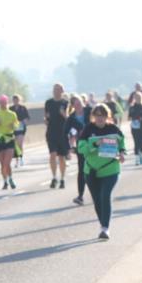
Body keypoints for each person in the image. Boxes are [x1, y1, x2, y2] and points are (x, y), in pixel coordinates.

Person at [77, 103, 126, 239]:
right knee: (97, 200)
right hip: (91, 171)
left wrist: (122, 153)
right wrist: (94, 144)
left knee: (105, 196)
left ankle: (105, 228)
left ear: (107, 116)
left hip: (110, 169)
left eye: (102, 115)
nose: (100, 118)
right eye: (97, 115)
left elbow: (121, 143)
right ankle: (102, 225)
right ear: (93, 116)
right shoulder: (88, 129)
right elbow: (80, 148)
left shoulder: (113, 129)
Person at [0, 94, 20, 190]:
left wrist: (13, 126)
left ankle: (10, 179)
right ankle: (6, 181)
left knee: (7, 163)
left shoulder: (12, 114)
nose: (3, 104)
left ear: (7, 103)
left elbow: (17, 125)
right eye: (1, 103)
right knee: (2, 164)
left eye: (4, 102)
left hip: (9, 139)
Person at [44, 83, 70, 189]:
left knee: (62, 157)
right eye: (54, 89)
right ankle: (54, 177)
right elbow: (46, 115)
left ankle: (62, 178)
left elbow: (69, 118)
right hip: (51, 132)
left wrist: (63, 113)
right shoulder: (48, 102)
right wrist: (46, 119)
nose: (56, 91)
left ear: (62, 91)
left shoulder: (65, 102)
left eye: (58, 89)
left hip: (62, 133)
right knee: (52, 155)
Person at [65, 95, 88, 205]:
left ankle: (100, 191)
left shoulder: (91, 111)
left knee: (96, 169)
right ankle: (80, 196)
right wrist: (69, 148)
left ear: (83, 102)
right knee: (82, 170)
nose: (78, 105)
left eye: (79, 103)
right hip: (82, 147)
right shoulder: (71, 118)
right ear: (73, 106)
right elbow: (65, 133)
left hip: (96, 145)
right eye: (75, 104)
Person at [10, 94, 30, 167]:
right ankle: (16, 160)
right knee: (15, 145)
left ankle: (21, 158)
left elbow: (28, 118)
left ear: (19, 100)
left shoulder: (23, 108)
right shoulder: (10, 109)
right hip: (13, 129)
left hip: (21, 128)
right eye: (14, 100)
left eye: (17, 100)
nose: (15, 101)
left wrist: (25, 121)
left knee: (20, 144)